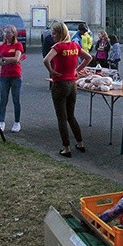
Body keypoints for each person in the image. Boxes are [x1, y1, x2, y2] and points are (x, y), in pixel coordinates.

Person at [43, 22, 92, 157]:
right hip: (72, 83)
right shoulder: (74, 46)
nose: (52, 36)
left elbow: (46, 60)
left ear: (60, 34)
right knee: (71, 116)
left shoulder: (58, 47)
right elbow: (89, 58)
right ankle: (80, 143)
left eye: (54, 33)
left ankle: (66, 148)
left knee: (62, 118)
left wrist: (52, 71)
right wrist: (77, 70)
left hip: (60, 84)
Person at [0, 25, 25, 133]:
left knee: (15, 99)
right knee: (3, 99)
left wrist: (4, 59)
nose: (6, 34)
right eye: (5, 32)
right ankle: (1, 122)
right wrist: (9, 60)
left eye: (8, 32)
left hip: (15, 75)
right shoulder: (1, 46)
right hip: (4, 76)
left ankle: (17, 122)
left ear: (14, 34)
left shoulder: (18, 45)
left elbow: (17, 59)